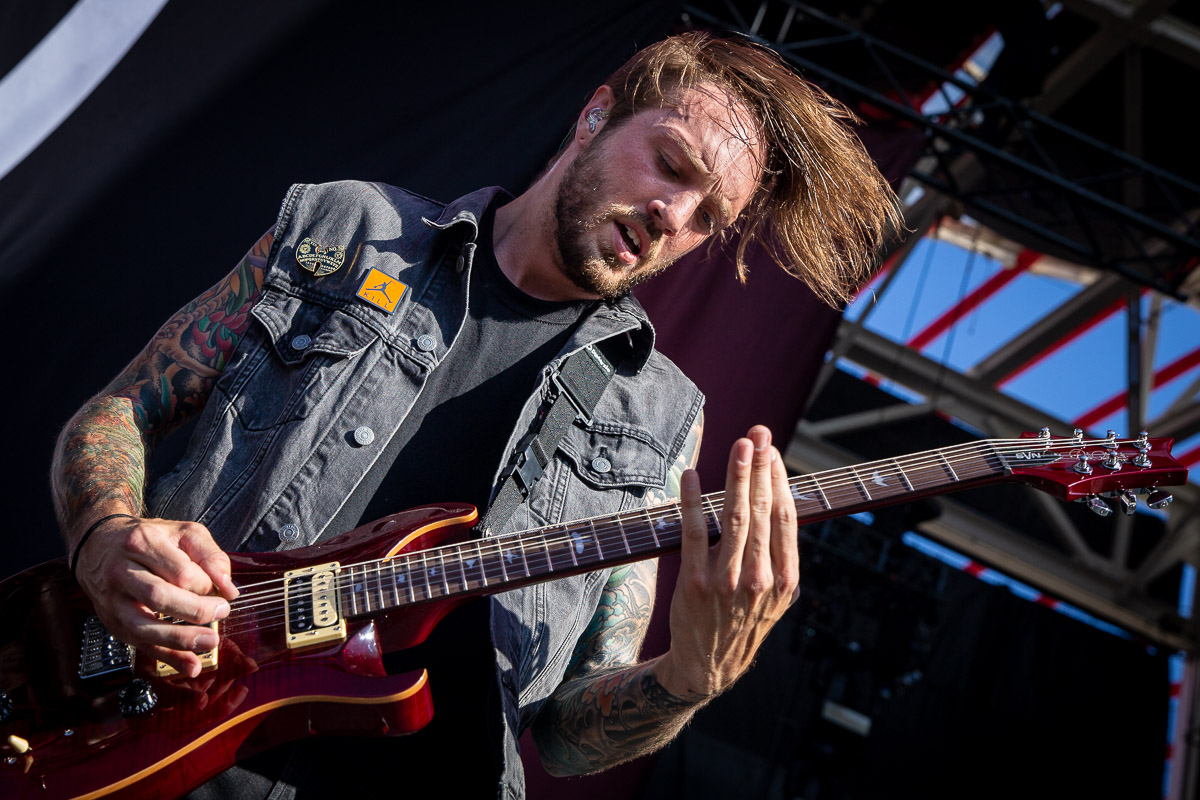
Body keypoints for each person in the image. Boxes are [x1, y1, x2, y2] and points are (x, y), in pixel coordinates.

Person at [50, 31, 899, 798]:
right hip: (137, 728)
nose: (674, 215)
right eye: (673, 165)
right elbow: (120, 410)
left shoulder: (661, 418)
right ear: (596, 116)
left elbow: (567, 735)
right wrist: (105, 539)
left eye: (708, 217)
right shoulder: (350, 227)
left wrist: (690, 676)